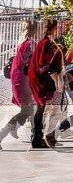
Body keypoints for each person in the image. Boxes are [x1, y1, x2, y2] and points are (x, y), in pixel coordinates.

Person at [29, 17, 73, 149]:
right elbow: (45, 65)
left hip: (38, 78)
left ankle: (39, 138)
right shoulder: (47, 43)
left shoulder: (46, 42)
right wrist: (57, 81)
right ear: (54, 28)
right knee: (42, 108)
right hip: (40, 80)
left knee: (41, 108)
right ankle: (39, 138)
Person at [1, 19, 38, 149]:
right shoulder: (29, 44)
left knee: (30, 110)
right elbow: (32, 64)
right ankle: (3, 133)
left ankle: (35, 135)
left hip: (19, 79)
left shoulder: (21, 43)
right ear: (34, 29)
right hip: (24, 80)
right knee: (27, 111)